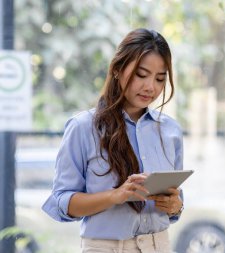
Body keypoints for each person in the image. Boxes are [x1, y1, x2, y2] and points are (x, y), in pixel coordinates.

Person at [42, 28, 184, 253]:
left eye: (160, 79)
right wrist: (114, 196)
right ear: (118, 69)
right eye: (141, 74)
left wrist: (176, 206)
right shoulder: (83, 127)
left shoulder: (171, 131)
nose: (151, 87)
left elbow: (175, 202)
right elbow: (61, 202)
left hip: (160, 245)